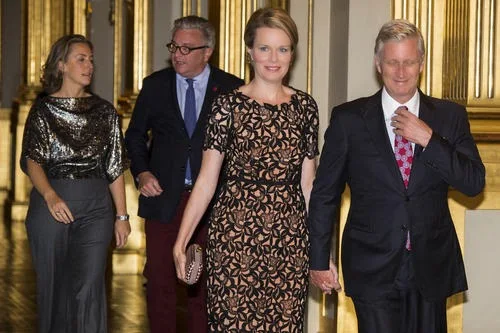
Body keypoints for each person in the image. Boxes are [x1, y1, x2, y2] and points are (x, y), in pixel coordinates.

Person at [308, 19, 485, 333]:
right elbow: (325, 195)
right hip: (371, 265)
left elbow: (473, 184)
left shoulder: (449, 116)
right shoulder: (349, 119)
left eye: (408, 62)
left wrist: (430, 139)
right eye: (392, 62)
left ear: (421, 63)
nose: (401, 72)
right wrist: (319, 260)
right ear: (378, 64)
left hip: (430, 264)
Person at [173, 7, 319, 331]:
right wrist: (180, 242)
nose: (273, 57)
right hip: (234, 238)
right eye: (264, 47)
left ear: (292, 54)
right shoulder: (228, 106)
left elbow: (309, 187)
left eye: (283, 48)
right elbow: (207, 181)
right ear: (250, 51)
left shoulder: (306, 108)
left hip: (289, 240)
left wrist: (322, 251)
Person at [124, 16, 243, 333]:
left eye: (187, 48)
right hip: (164, 201)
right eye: (174, 46)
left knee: (204, 286)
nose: (178, 54)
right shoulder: (155, 85)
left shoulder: (232, 88)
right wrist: (143, 172)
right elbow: (134, 136)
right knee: (160, 281)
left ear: (208, 52)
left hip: (213, 207)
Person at [20, 34, 130, 333]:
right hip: (53, 202)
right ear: (61, 65)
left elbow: (115, 166)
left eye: (91, 59)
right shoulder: (43, 110)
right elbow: (33, 160)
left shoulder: (105, 111)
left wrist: (121, 216)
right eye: (81, 58)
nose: (89, 65)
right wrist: (50, 196)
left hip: (96, 206)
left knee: (90, 286)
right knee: (54, 286)